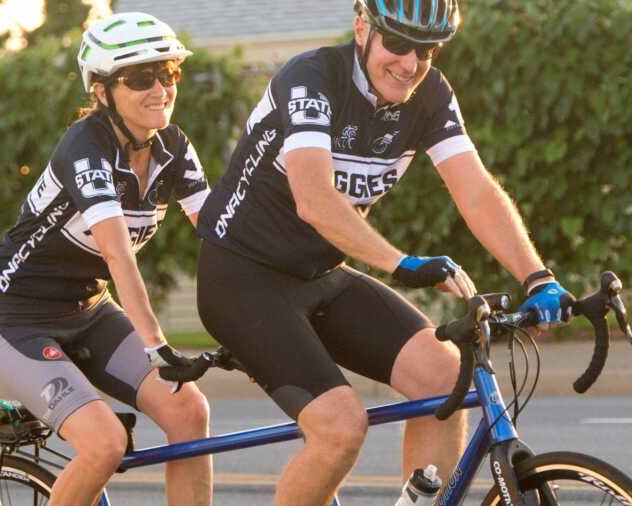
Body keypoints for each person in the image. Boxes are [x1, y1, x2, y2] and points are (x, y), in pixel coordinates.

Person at [194, 0, 574, 504]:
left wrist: (537, 275)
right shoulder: (310, 78)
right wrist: (401, 264)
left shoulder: (431, 95)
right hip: (242, 279)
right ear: (362, 29)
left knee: (444, 377)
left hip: (320, 273)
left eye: (427, 50)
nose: (410, 63)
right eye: (396, 43)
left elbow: (476, 191)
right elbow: (315, 200)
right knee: (340, 427)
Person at [0, 12, 213, 506]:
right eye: (140, 78)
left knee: (189, 413)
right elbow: (117, 253)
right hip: (17, 319)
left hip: (88, 311)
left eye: (168, 73)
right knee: (103, 443)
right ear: (102, 92)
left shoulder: (174, 145)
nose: (160, 89)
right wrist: (157, 345)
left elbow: (222, 234)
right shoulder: (86, 147)